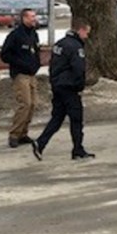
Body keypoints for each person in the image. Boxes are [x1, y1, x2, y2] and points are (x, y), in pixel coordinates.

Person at [31, 17, 94, 161]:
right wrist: (79, 86)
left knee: (57, 118)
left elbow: (53, 65)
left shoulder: (59, 44)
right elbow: (79, 69)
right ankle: (78, 149)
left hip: (58, 86)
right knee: (76, 119)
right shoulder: (76, 47)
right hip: (70, 87)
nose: (87, 36)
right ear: (81, 30)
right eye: (86, 33)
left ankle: (40, 143)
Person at [0, 7, 42, 148]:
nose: (34, 19)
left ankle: (23, 133)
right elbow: (4, 55)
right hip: (20, 75)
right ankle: (14, 134)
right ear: (23, 18)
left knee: (33, 105)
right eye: (31, 16)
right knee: (25, 104)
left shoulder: (33, 34)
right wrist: (20, 63)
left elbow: (36, 51)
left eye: (34, 16)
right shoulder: (15, 35)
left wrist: (37, 64)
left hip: (31, 75)